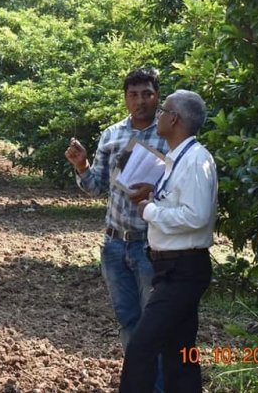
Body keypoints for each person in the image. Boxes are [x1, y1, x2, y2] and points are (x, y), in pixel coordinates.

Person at [64, 67, 168, 390]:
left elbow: (178, 190)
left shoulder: (167, 136)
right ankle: (138, 384)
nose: (140, 101)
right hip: (114, 245)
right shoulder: (111, 135)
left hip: (150, 245)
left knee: (155, 325)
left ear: (157, 97)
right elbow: (96, 187)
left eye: (147, 94)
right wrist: (81, 166)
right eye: (134, 95)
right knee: (127, 321)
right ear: (125, 98)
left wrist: (156, 194)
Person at [119, 89, 217, 393]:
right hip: (171, 268)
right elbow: (179, 203)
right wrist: (154, 192)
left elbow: (197, 216)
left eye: (163, 109)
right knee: (180, 355)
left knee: (141, 348)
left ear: (173, 119)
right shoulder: (177, 160)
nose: (157, 114)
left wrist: (150, 210)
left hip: (183, 270)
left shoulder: (197, 160)